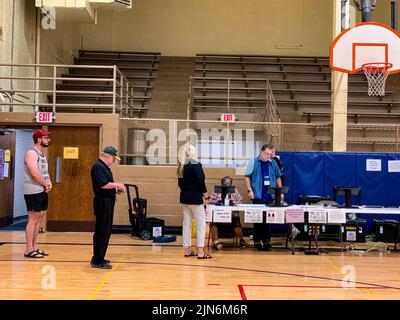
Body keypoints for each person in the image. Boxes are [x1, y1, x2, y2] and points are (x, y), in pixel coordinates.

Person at [90, 146, 126, 269]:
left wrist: (115, 189)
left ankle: (100, 256)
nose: (114, 161)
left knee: (106, 231)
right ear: (108, 156)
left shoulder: (104, 168)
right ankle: (97, 260)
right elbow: (103, 184)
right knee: (102, 231)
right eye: (113, 158)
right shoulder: (98, 167)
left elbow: (107, 185)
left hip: (107, 202)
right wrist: (118, 184)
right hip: (102, 203)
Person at [244, 143, 282, 251]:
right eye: (267, 154)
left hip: (270, 196)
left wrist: (280, 192)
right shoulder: (254, 162)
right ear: (261, 152)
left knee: (268, 220)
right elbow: (247, 177)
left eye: (270, 154)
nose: (268, 156)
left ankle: (266, 241)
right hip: (258, 195)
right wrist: (249, 190)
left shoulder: (273, 162)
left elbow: (278, 177)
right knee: (257, 219)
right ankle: (257, 240)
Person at [177, 144, 212, 259]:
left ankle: (187, 250)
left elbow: (180, 184)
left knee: (186, 225)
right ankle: (201, 252)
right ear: (194, 153)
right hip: (195, 199)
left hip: (185, 199)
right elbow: (200, 182)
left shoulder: (181, 166)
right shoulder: (196, 165)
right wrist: (206, 197)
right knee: (201, 225)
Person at [24, 129, 52, 258]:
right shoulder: (31, 153)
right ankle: (28, 249)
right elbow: (34, 173)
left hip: (41, 189)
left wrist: (49, 182)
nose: (49, 140)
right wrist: (45, 184)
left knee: (39, 217)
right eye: (46, 138)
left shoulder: (42, 154)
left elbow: (44, 172)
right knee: (33, 218)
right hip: (33, 190)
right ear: (39, 139)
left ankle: (34, 247)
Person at [209, 176, 247, 250]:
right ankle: (216, 242)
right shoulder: (217, 190)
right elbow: (210, 201)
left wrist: (233, 202)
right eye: (225, 182)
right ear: (222, 183)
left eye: (229, 183)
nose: (227, 184)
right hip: (219, 214)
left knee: (236, 220)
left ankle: (241, 240)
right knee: (213, 222)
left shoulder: (234, 190)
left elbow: (240, 201)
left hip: (231, 214)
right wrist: (217, 202)